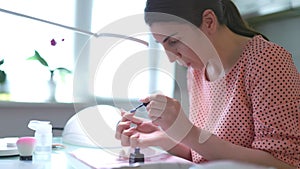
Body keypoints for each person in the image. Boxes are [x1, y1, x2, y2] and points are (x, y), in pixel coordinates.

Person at [115, 0, 300, 168]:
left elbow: (284, 163)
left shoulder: (266, 61)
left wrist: (188, 133)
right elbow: (203, 156)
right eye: (163, 45)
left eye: (173, 41)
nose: (171, 58)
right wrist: (167, 137)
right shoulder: (196, 70)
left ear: (209, 21)